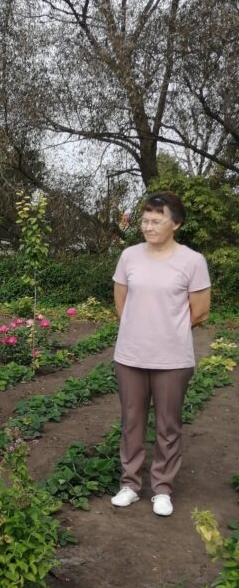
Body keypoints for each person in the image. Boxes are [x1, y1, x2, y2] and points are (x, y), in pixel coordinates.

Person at [110, 190, 211, 517]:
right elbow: (121, 301)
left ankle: (162, 488)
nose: (148, 226)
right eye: (145, 220)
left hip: (172, 359)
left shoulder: (192, 261)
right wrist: (139, 328)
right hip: (130, 356)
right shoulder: (129, 256)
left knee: (169, 425)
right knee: (131, 421)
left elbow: (200, 311)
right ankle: (129, 484)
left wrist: (167, 330)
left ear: (176, 223)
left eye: (156, 220)